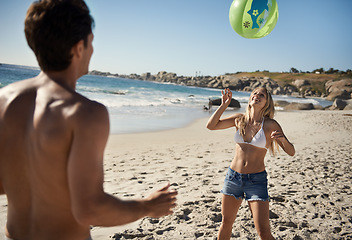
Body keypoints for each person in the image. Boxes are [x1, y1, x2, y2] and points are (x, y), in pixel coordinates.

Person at [0, 1, 177, 239]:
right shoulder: (84, 113)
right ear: (78, 47)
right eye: (91, 42)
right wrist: (147, 206)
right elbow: (88, 209)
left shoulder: (5, 99)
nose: (93, 50)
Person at [206, 88, 295, 240]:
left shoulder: (270, 124)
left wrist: (282, 140)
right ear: (250, 99)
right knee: (226, 223)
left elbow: (291, 151)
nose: (257, 96)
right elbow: (211, 126)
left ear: (267, 103)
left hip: (256, 181)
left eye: (262, 95)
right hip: (233, 177)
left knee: (264, 232)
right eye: (254, 93)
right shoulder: (240, 119)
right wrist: (223, 105)